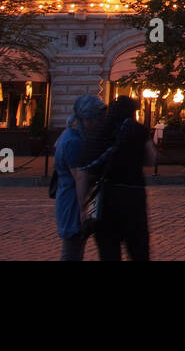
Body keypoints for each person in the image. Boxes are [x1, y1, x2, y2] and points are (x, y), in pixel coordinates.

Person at [84, 96, 156, 261]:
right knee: (138, 249)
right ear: (132, 112)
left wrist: (84, 204)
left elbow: (87, 168)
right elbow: (150, 160)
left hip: (103, 196)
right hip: (133, 194)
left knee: (108, 251)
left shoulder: (99, 131)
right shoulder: (138, 130)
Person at [54, 95, 106, 261]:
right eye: (96, 119)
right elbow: (80, 177)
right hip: (73, 200)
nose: (98, 123)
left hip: (71, 197)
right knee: (72, 250)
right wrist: (85, 207)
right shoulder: (73, 141)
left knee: (75, 248)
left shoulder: (70, 135)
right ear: (87, 119)